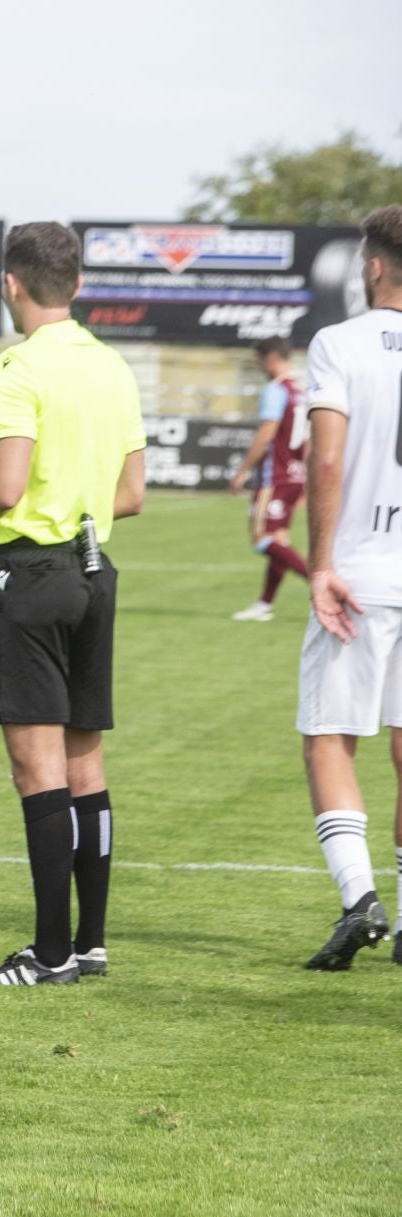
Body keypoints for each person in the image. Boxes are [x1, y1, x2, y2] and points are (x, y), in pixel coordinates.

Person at [0, 221, 146, 987]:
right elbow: (131, 495)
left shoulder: (18, 368)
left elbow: (5, 486)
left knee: (38, 771)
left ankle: (49, 952)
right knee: (86, 762)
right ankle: (89, 944)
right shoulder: (113, 367)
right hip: (96, 570)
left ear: (12, 284)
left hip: (32, 573)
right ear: (79, 285)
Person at [291, 204, 402, 970]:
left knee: (330, 737)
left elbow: (325, 462)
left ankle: (360, 898)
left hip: (363, 575)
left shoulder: (340, 342)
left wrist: (320, 563)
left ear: (372, 265)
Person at [229, 338, 311, 621]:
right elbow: (309, 439)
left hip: (274, 476)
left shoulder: (276, 390)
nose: (261, 367)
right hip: (295, 475)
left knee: (261, 537)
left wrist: (243, 471)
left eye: (261, 360)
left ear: (272, 357)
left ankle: (317, 579)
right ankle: (264, 605)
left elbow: (267, 433)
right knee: (278, 539)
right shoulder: (301, 389)